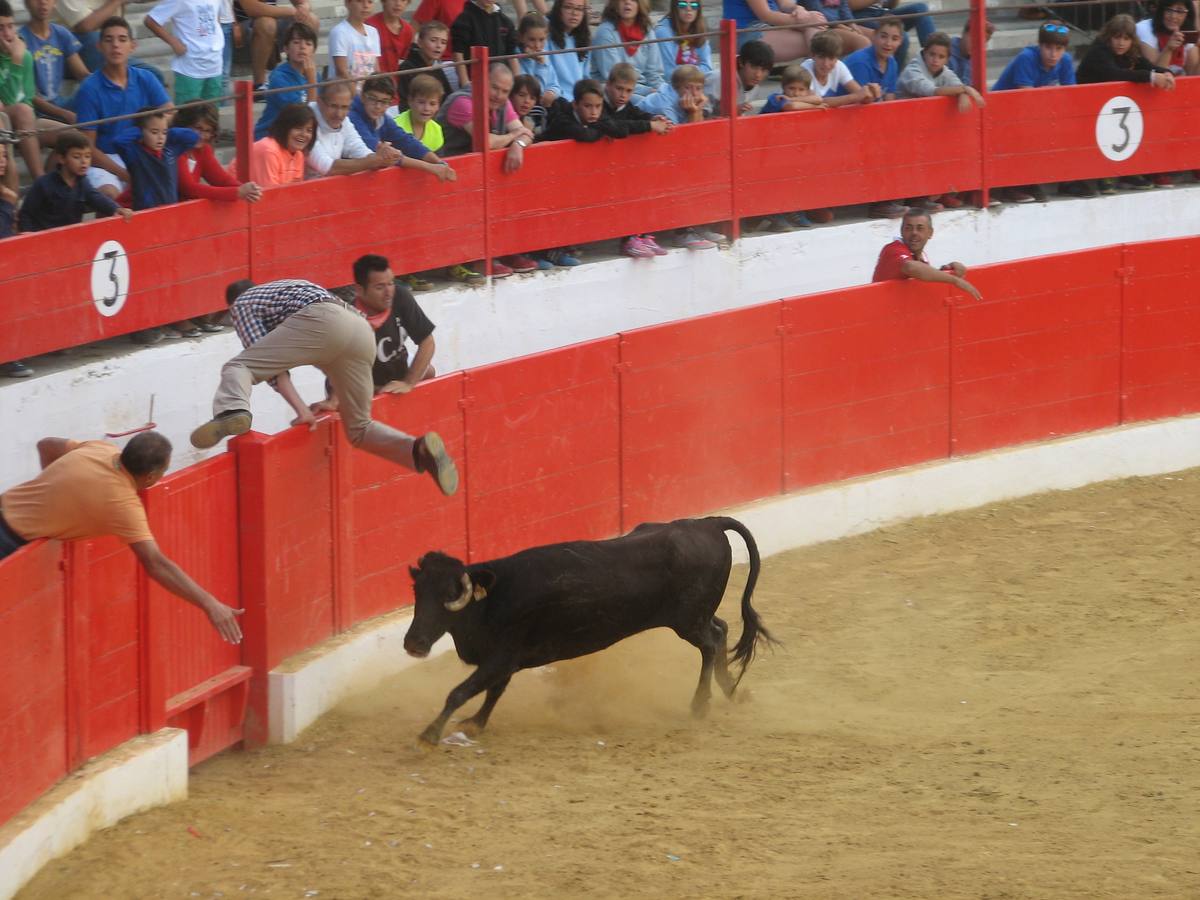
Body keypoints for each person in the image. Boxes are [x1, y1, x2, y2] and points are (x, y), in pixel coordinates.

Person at [190, 278, 460, 499]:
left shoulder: (244, 303)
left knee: (239, 368)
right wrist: (333, 400)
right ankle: (418, 450)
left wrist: (301, 410)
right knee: (359, 429)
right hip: (359, 330)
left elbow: (270, 367)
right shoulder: (289, 287)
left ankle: (231, 410)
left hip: (322, 321)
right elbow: (332, 350)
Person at [0, 431, 245, 643]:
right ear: (150, 477)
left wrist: (52, 489)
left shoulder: (100, 449)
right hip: (8, 545)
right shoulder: (124, 506)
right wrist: (209, 603)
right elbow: (156, 564)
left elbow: (46, 444)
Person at [310, 254, 437, 401]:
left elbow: (427, 342)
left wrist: (408, 382)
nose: (388, 292)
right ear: (359, 290)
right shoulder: (348, 321)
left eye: (391, 283)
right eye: (380, 287)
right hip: (359, 386)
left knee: (428, 371)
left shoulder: (400, 296)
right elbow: (342, 375)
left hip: (394, 373)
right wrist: (382, 391)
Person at [72, 16, 170, 200]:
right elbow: (88, 148)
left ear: (133, 46)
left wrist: (151, 129)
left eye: (122, 39)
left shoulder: (146, 77)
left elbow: (170, 111)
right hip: (105, 161)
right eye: (109, 40)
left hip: (142, 152)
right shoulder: (89, 88)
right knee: (109, 196)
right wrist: (126, 174)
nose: (115, 45)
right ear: (99, 46)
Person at [1078, 14, 1174, 194]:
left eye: (1126, 38)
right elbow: (1115, 74)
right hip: (1086, 109)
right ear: (1109, 37)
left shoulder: (1130, 53)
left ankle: (1127, 171)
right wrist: (1152, 77)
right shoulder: (1099, 52)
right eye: (1117, 37)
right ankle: (1105, 174)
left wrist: (1166, 72)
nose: (1121, 43)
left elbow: (1146, 65)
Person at [992, 21, 1076, 203]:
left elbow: (1071, 95)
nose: (1053, 54)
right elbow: (1025, 98)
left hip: (1032, 114)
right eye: (1048, 47)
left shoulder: (1066, 60)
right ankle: (1013, 186)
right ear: (1039, 46)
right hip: (1001, 113)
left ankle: (1040, 181)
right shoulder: (1026, 58)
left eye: (1059, 49)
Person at [844, 16, 906, 218]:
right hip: (846, 120)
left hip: (870, 122)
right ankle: (880, 203)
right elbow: (860, 104)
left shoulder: (892, 63)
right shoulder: (861, 62)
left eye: (894, 38)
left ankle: (908, 197)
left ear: (900, 41)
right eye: (884, 37)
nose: (888, 43)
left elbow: (889, 100)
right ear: (874, 36)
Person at [348, 74, 458, 183]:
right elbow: (380, 155)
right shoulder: (352, 117)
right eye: (373, 99)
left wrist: (439, 163)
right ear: (362, 96)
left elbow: (405, 140)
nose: (378, 106)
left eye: (384, 101)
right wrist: (430, 167)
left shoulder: (381, 117)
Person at [754, 64, 825, 232]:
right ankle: (774, 213)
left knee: (796, 175)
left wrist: (806, 101)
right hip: (764, 148)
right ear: (783, 88)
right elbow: (791, 107)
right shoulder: (775, 98)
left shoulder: (797, 98)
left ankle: (792, 210)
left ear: (807, 90)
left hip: (787, 148)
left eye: (801, 89)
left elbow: (819, 99)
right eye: (791, 88)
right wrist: (812, 106)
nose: (795, 93)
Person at [19, 128, 131, 228]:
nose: (84, 162)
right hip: (44, 239)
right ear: (62, 158)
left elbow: (96, 198)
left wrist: (116, 209)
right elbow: (26, 213)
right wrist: (29, 234)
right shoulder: (43, 184)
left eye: (87, 156)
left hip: (70, 237)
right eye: (77, 157)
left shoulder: (82, 182)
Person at [871, 207, 981, 301]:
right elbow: (910, 267)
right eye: (908, 228)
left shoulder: (921, 257)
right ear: (902, 231)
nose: (914, 233)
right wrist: (955, 280)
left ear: (930, 233)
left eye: (920, 228)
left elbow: (923, 277)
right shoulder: (893, 249)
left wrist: (948, 269)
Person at [308, 81, 402, 178]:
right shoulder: (307, 124)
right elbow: (329, 168)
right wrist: (375, 160)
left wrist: (383, 157)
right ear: (319, 102)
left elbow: (359, 149)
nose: (339, 114)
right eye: (333, 106)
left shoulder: (345, 121)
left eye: (344, 107)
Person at [19, 0, 89, 125]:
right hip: (36, 112)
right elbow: (29, 95)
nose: (43, 2)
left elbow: (82, 74)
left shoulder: (61, 33)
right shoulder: (20, 40)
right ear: (26, 3)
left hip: (61, 103)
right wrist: (64, 113)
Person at [144, 0, 225, 104]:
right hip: (189, 66)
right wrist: (173, 42)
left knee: (211, 113)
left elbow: (216, 18)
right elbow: (151, 21)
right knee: (187, 114)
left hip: (215, 63)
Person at [0, 1, 45, 182]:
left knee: (71, 136)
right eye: (1, 28)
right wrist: (15, 61)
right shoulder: (20, 55)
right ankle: (41, 182)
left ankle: (58, 188)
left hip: (22, 120)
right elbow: (9, 102)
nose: (8, 34)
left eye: (11, 26)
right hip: (5, 118)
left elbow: (24, 98)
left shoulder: (24, 55)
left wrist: (19, 59)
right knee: (22, 111)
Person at [234, 0, 320, 89]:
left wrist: (303, 7)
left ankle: (301, 73)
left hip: (273, 23)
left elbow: (303, 2)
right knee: (266, 23)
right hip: (242, 29)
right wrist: (292, 11)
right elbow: (253, 9)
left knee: (311, 19)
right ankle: (259, 84)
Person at [253, 20, 317, 142]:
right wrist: (312, 82)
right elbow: (302, 118)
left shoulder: (314, 74)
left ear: (313, 50)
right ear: (286, 49)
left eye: (308, 44)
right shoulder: (279, 78)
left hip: (296, 137)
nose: (302, 47)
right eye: (296, 42)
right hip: (270, 138)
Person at [590, 0, 663, 97]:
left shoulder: (647, 30)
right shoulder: (605, 32)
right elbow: (614, 79)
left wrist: (662, 91)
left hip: (644, 89)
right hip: (615, 93)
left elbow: (654, 73)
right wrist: (648, 92)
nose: (627, 2)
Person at [722, 0, 826, 64]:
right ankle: (820, 84)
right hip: (745, 32)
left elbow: (785, 4)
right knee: (819, 41)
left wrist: (800, 10)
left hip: (769, 26)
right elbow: (766, 15)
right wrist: (805, 21)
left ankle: (817, 83)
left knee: (817, 32)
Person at [450, 0, 518, 88]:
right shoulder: (464, 19)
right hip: (474, 84)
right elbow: (458, 53)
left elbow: (512, 55)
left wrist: (516, 83)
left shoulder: (505, 21)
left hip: (500, 85)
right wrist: (465, 83)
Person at [850, 0, 936, 68]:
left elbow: (889, 5)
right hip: (859, 17)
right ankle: (895, 78)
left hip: (881, 12)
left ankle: (934, 54)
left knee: (920, 8)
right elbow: (848, 5)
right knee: (900, 37)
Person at [248, 100, 314, 186]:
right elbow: (270, 195)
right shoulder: (269, 151)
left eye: (309, 130)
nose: (304, 134)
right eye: (298, 128)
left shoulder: (298, 155)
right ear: (284, 127)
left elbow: (295, 191)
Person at [801, 30, 871, 107]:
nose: (826, 64)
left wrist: (870, 93)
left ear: (837, 58)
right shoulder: (804, 70)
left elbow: (862, 95)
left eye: (831, 58)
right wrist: (856, 97)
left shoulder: (839, 66)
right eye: (821, 57)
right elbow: (818, 102)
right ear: (812, 56)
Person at [396, 20, 452, 109]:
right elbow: (404, 102)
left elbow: (447, 99)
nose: (439, 46)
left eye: (443, 42)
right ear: (420, 42)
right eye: (433, 40)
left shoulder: (436, 68)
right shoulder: (407, 68)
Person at [654, 0, 712, 85]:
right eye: (682, 4)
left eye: (694, 5)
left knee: (718, 76)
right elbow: (669, 72)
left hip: (696, 82)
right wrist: (694, 72)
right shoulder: (663, 31)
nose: (688, 9)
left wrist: (691, 75)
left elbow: (707, 67)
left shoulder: (699, 29)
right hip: (673, 85)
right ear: (674, 7)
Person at [632, 60, 706, 125]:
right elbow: (681, 139)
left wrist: (698, 110)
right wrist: (692, 113)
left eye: (698, 88)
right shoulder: (664, 107)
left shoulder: (685, 101)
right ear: (676, 87)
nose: (694, 93)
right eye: (688, 88)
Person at [1136, 0, 1199, 76]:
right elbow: (1156, 73)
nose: (1173, 16)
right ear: (1161, 10)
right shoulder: (1144, 29)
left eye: (1179, 11)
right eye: (1169, 10)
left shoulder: (1188, 33)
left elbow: (1194, 76)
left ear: (1187, 14)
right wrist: (1169, 48)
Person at [327, 0, 380, 84]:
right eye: (360, 1)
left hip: (368, 93)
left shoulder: (373, 32)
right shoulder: (340, 32)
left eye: (370, 2)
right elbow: (341, 71)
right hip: (345, 92)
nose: (366, 5)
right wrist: (357, 95)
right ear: (347, 3)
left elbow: (376, 68)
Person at [546, 0, 588, 101]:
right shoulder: (545, 34)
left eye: (579, 9)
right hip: (555, 98)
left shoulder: (583, 38)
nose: (574, 13)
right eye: (568, 7)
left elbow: (586, 77)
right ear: (558, 9)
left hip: (580, 101)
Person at [518, 12, 562, 106]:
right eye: (532, 40)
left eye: (541, 40)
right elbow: (536, 93)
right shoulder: (517, 59)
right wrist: (540, 65)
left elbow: (555, 85)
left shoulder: (544, 54)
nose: (537, 46)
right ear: (521, 37)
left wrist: (551, 93)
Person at [799, 0, 871, 55]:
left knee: (873, 36)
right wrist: (844, 27)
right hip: (823, 26)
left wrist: (852, 24)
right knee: (862, 42)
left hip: (839, 23)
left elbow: (844, 7)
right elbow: (818, 11)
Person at [368, 0, 415, 79]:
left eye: (403, 0)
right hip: (373, 83)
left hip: (395, 85)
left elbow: (401, 61)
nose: (398, 4)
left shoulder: (408, 30)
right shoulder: (369, 25)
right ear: (384, 1)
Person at [947, 17, 993, 88]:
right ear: (963, 33)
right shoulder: (945, 54)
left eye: (981, 43)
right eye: (973, 39)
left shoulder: (975, 60)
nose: (976, 45)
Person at [730, 38, 773, 113]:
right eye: (754, 67)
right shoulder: (719, 79)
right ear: (741, 62)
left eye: (764, 70)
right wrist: (731, 112)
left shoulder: (755, 87)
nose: (758, 75)